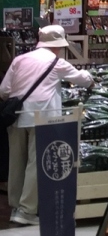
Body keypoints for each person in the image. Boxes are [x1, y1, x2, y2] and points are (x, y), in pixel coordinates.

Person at [0, 24, 92, 225]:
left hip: (15, 116)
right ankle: (27, 210)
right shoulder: (57, 63)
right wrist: (92, 79)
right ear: (57, 45)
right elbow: (83, 79)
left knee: (16, 163)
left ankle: (16, 206)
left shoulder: (19, 59)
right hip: (41, 117)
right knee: (36, 163)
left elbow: (4, 90)